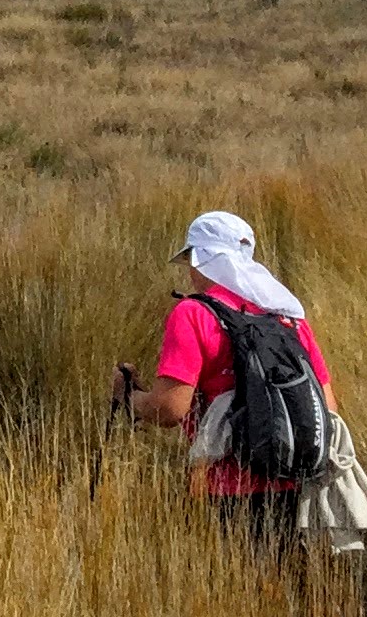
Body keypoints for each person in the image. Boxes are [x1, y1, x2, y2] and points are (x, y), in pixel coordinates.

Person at [121, 209, 338, 546]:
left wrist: (127, 397)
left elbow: (169, 410)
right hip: (298, 486)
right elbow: (328, 405)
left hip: (225, 489)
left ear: (201, 259)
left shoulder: (194, 314)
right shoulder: (289, 317)